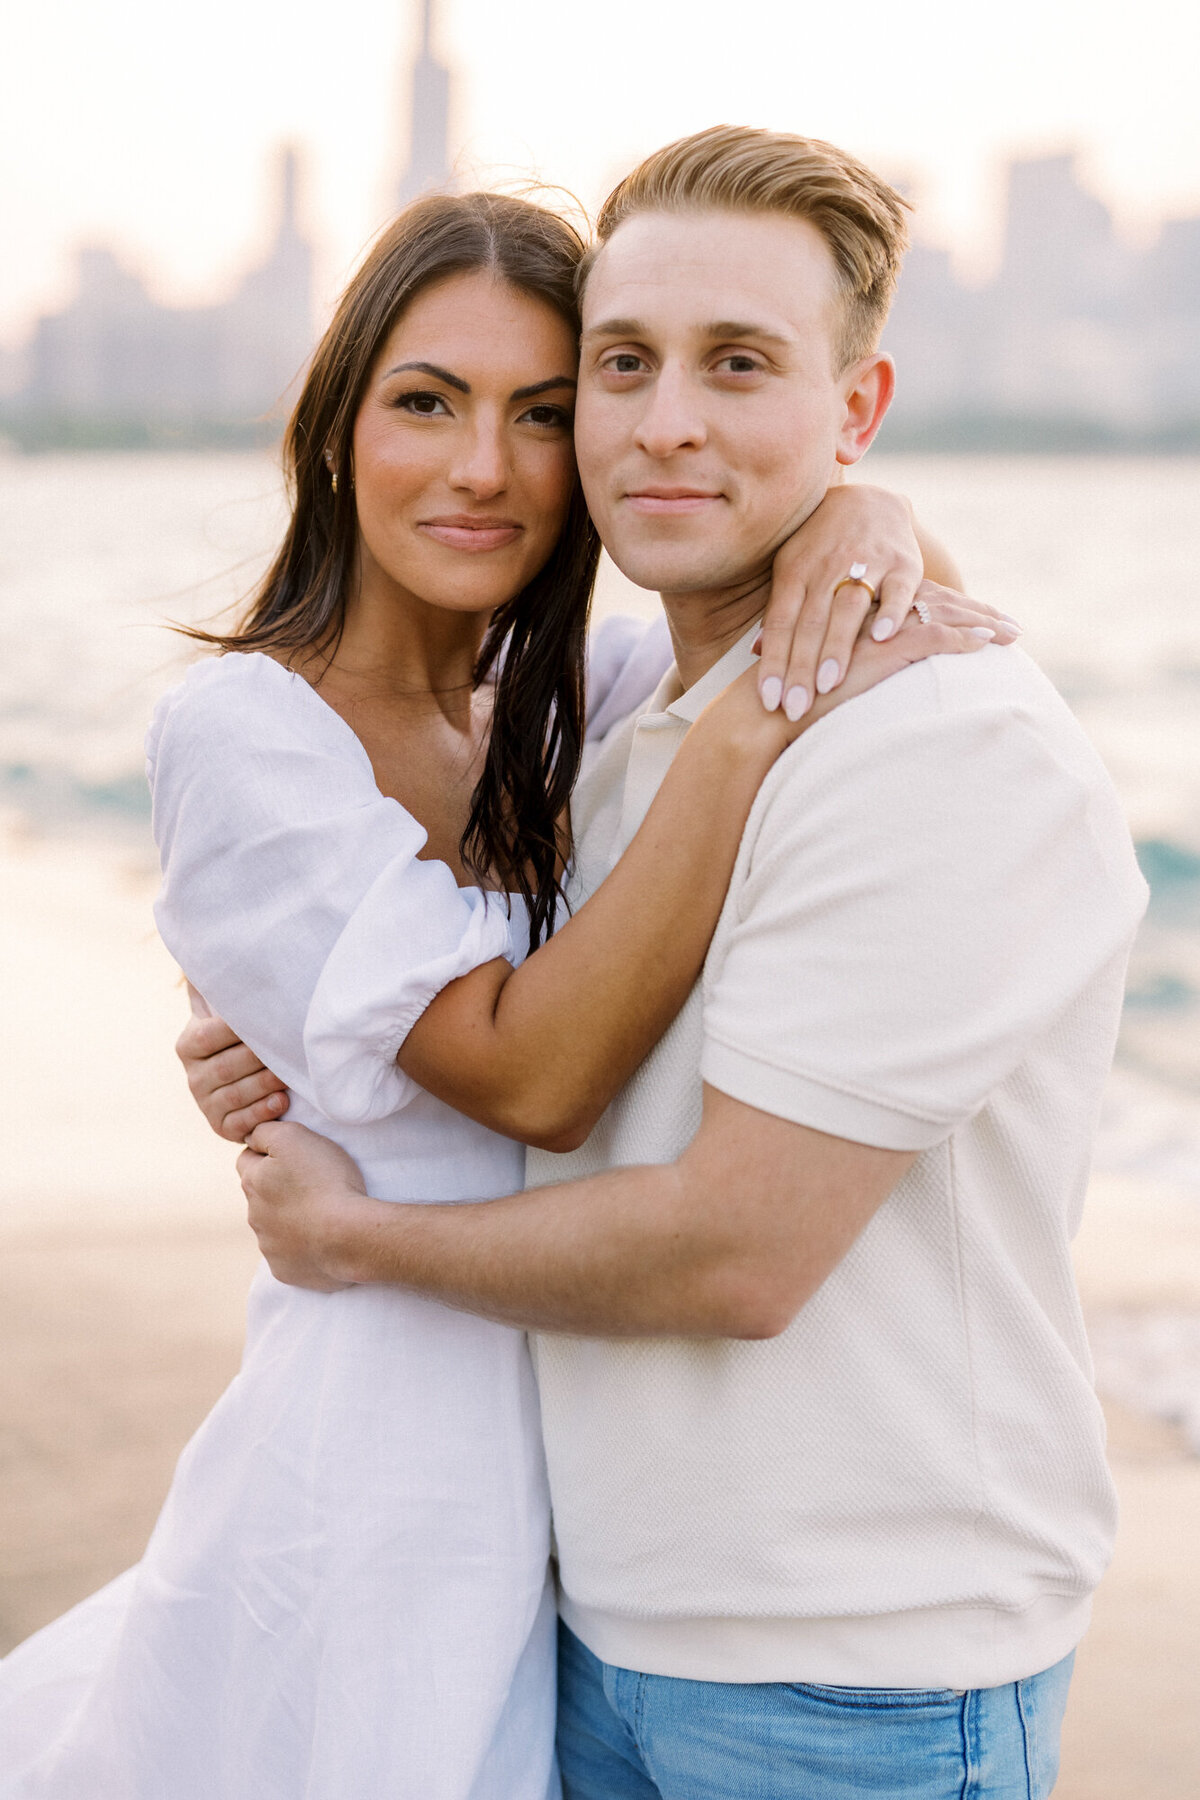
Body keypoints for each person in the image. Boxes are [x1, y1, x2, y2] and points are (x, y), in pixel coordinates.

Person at [0, 183, 1000, 1800]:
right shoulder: (247, 732)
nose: (484, 468)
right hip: (390, 1469)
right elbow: (528, 1079)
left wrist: (862, 518)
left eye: (543, 412)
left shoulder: (579, 699)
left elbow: (810, 587)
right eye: (426, 402)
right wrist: (750, 732)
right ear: (334, 432)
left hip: (611, 1495)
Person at [217, 128, 1149, 1800]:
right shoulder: (620, 719)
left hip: (858, 1678)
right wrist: (283, 1027)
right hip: (608, 1627)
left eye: (742, 367)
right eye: (623, 368)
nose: (667, 423)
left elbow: (737, 1253)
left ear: (855, 407)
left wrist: (358, 1235)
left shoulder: (934, 744)